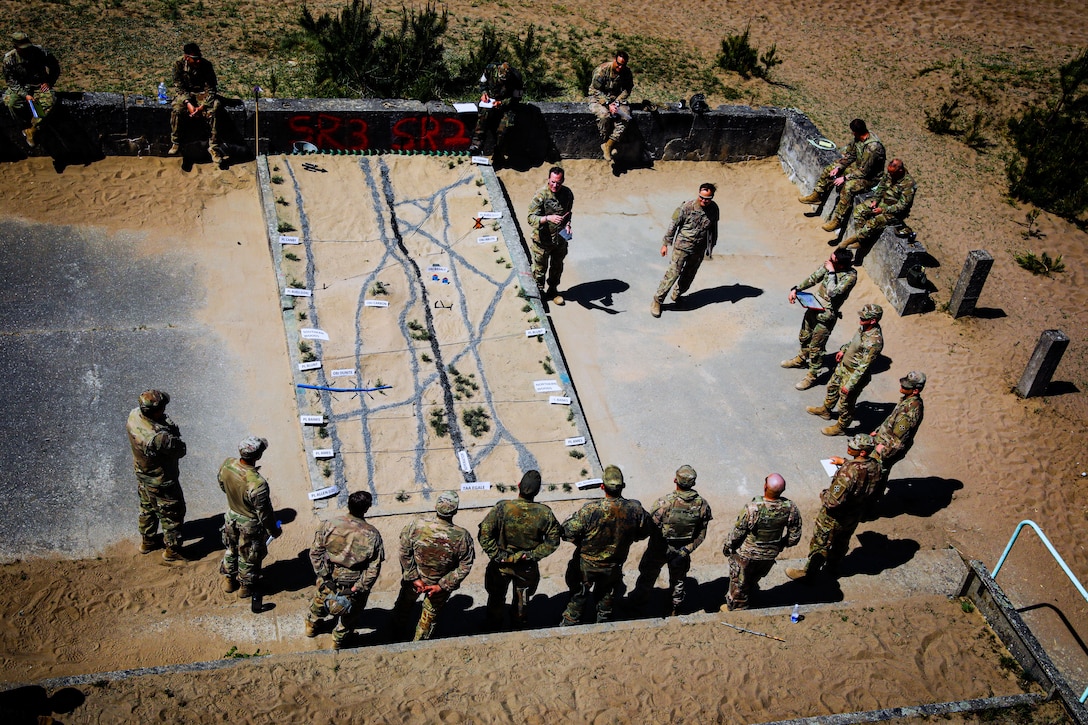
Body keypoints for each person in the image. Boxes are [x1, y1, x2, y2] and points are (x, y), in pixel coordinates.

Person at [560, 464, 651, 625]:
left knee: (578, 595)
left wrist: (579, 541)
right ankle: (603, 623)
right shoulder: (635, 510)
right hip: (613, 565)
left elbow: (567, 532)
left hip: (586, 564)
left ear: (602, 486)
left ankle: (570, 624)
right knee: (606, 596)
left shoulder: (591, 510)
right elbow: (644, 532)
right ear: (623, 486)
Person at [786, 434, 882, 581]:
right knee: (842, 542)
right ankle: (834, 567)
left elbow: (832, 501)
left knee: (820, 544)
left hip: (834, 517)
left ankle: (809, 575)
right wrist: (845, 462)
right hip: (854, 514)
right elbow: (863, 473)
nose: (849, 447)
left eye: (854, 447)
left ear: (862, 452)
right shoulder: (875, 466)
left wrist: (824, 493)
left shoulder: (847, 473)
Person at [478, 470, 561, 630]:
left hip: (501, 564)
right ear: (537, 491)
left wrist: (497, 555)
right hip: (526, 566)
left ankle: (493, 625)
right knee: (522, 598)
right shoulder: (544, 513)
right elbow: (553, 542)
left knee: (496, 596)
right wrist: (531, 555)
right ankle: (518, 625)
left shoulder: (502, 508)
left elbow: (484, 534)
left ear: (518, 486)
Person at [390, 491, 475, 641]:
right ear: (455, 511)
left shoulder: (416, 525)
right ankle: (419, 644)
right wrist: (441, 586)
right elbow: (465, 566)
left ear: (435, 506)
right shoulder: (462, 536)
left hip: (414, 582)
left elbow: (404, 552)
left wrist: (413, 577)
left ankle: (395, 634)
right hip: (437, 587)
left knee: (404, 606)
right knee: (429, 617)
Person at [629, 465, 713, 616]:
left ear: (675, 480)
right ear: (693, 484)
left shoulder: (664, 503)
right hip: (681, 551)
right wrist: (686, 550)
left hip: (658, 549)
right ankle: (675, 607)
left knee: (647, 576)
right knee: (678, 580)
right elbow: (701, 534)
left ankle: (637, 604)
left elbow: (650, 528)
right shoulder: (703, 505)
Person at [306, 490, 384, 649]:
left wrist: (324, 575)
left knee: (319, 604)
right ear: (367, 508)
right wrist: (358, 587)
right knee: (350, 616)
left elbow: (315, 553)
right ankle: (338, 641)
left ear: (348, 504)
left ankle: (311, 627)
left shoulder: (329, 524)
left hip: (329, 578)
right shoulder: (373, 535)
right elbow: (373, 569)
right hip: (353, 584)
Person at [723, 473, 802, 610]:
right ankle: (747, 595)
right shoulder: (790, 508)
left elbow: (738, 533)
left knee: (738, 582)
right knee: (753, 579)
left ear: (765, 487)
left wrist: (728, 546)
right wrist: (779, 545)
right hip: (769, 555)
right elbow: (794, 537)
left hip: (746, 555)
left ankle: (737, 608)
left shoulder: (753, 508)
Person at [782, 249, 858, 390]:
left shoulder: (850, 276)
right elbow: (814, 278)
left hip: (826, 316)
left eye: (832, 260)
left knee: (816, 348)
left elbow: (833, 293)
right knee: (804, 336)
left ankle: (812, 375)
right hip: (813, 307)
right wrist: (796, 289)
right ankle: (801, 359)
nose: (828, 261)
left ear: (840, 265)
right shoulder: (831, 265)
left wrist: (830, 272)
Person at [126, 390, 187, 562]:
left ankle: (148, 541)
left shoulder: (134, 415)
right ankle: (172, 550)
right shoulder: (159, 437)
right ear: (155, 411)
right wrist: (171, 432)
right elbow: (180, 450)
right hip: (162, 481)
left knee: (147, 507)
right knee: (173, 514)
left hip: (143, 473)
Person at [218, 436, 281, 600]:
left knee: (231, 549)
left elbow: (222, 484)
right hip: (249, 524)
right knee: (249, 556)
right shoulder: (258, 483)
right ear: (258, 456)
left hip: (231, 516)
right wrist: (273, 530)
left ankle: (229, 580)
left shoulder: (228, 464)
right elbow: (264, 513)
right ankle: (245, 588)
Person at [807, 303, 884, 436]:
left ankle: (841, 427)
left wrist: (849, 385)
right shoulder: (863, 327)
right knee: (831, 387)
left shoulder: (874, 342)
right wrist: (843, 350)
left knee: (845, 405)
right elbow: (852, 342)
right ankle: (826, 410)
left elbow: (863, 367)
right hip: (844, 367)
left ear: (873, 320)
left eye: (864, 317)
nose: (860, 319)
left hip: (853, 375)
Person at [798, 118, 885, 233]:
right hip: (859, 170)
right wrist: (838, 167)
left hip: (870, 178)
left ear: (855, 131)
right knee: (830, 169)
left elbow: (864, 172)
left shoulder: (873, 148)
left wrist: (844, 178)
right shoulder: (859, 139)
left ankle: (838, 220)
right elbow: (850, 155)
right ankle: (817, 195)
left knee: (848, 187)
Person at [651, 183, 719, 318]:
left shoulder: (714, 209)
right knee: (673, 274)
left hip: (698, 249)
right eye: (702, 197)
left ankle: (677, 295)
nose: (704, 201)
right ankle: (657, 300)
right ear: (698, 194)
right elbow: (673, 225)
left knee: (689, 275)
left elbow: (713, 228)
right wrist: (665, 244)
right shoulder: (686, 207)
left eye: (708, 198)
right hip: (682, 247)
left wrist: (711, 246)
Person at [868, 371, 926, 511]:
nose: (901, 387)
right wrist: (878, 430)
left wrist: (883, 451)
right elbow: (892, 420)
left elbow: (898, 441)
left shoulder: (909, 412)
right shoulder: (907, 400)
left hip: (887, 449)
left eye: (905, 386)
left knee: (876, 477)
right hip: (883, 442)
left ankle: (870, 508)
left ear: (915, 390)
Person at [838, 158, 917, 253]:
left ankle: (855, 239)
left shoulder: (908, 184)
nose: (890, 175)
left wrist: (883, 210)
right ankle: (862, 240)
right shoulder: (890, 174)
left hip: (894, 212)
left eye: (892, 174)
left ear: (900, 171)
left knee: (875, 222)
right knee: (859, 210)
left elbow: (902, 206)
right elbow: (881, 188)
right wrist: (875, 200)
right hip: (881, 202)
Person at [169, 42, 225, 164]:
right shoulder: (178, 64)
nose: (198, 61)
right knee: (177, 109)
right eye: (194, 59)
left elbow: (211, 89)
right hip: (186, 95)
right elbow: (179, 87)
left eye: (199, 57)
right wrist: (188, 104)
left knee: (215, 107)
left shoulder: (206, 65)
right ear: (186, 57)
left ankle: (214, 148)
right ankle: (176, 142)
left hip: (202, 95)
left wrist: (202, 107)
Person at [2, 32, 60, 148]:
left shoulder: (40, 52)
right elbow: (11, 81)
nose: (27, 51)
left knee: (50, 101)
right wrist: (25, 95)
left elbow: (55, 67)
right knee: (11, 102)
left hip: (39, 85)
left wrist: (48, 82)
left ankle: (33, 129)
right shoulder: (9, 59)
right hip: (22, 87)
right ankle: (24, 126)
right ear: (16, 47)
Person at [526, 166, 574, 306]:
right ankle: (539, 294)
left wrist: (568, 225)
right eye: (553, 182)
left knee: (557, 267)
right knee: (540, 269)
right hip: (542, 241)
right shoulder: (541, 196)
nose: (555, 185)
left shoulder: (567, 194)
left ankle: (552, 291)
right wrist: (548, 218)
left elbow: (568, 213)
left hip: (560, 240)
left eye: (558, 182)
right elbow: (530, 218)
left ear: (563, 181)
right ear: (548, 179)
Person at [467, 61, 523, 161]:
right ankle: (476, 145)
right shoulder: (489, 69)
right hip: (490, 101)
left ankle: (498, 153)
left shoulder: (516, 78)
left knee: (504, 129)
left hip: (507, 106)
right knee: (483, 117)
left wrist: (502, 103)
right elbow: (482, 83)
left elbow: (516, 99)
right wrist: (484, 93)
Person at [587, 50, 633, 162]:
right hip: (598, 99)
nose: (620, 67)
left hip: (616, 99)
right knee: (604, 116)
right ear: (614, 60)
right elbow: (595, 90)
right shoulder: (602, 70)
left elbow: (627, 89)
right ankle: (606, 141)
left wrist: (617, 102)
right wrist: (608, 104)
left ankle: (609, 144)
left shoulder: (626, 72)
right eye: (619, 64)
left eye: (623, 64)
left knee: (626, 117)